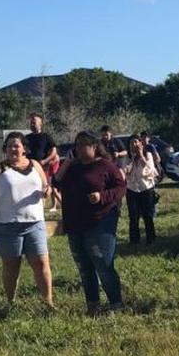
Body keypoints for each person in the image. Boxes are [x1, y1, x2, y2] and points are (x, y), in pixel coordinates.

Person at [55, 131, 127, 315]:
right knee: (85, 267)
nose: (78, 149)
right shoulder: (72, 167)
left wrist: (102, 196)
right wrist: (67, 163)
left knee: (103, 265)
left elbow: (120, 187)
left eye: (82, 145)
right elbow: (55, 182)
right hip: (75, 223)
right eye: (76, 145)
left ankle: (116, 303)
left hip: (100, 222)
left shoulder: (105, 166)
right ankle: (93, 305)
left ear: (94, 146)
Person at [0, 132, 53, 307]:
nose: (13, 148)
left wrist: (47, 192)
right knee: (12, 265)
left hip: (34, 222)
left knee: (42, 262)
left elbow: (46, 186)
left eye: (17, 145)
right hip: (7, 225)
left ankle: (48, 301)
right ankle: (11, 301)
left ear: (24, 148)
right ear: (5, 149)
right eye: (10, 145)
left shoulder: (35, 165)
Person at [123, 135, 159, 245]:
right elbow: (126, 171)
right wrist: (133, 158)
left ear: (141, 144)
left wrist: (141, 155)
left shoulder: (148, 155)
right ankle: (134, 240)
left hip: (146, 188)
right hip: (132, 189)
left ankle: (151, 239)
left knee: (147, 215)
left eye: (135, 142)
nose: (134, 145)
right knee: (133, 216)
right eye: (131, 143)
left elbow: (149, 170)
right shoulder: (128, 158)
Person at [24, 112, 60, 210]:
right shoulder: (26, 138)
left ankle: (60, 205)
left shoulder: (46, 137)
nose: (32, 124)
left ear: (40, 124)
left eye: (34, 122)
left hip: (43, 168)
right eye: (31, 122)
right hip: (29, 168)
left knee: (46, 188)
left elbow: (54, 151)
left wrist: (44, 161)